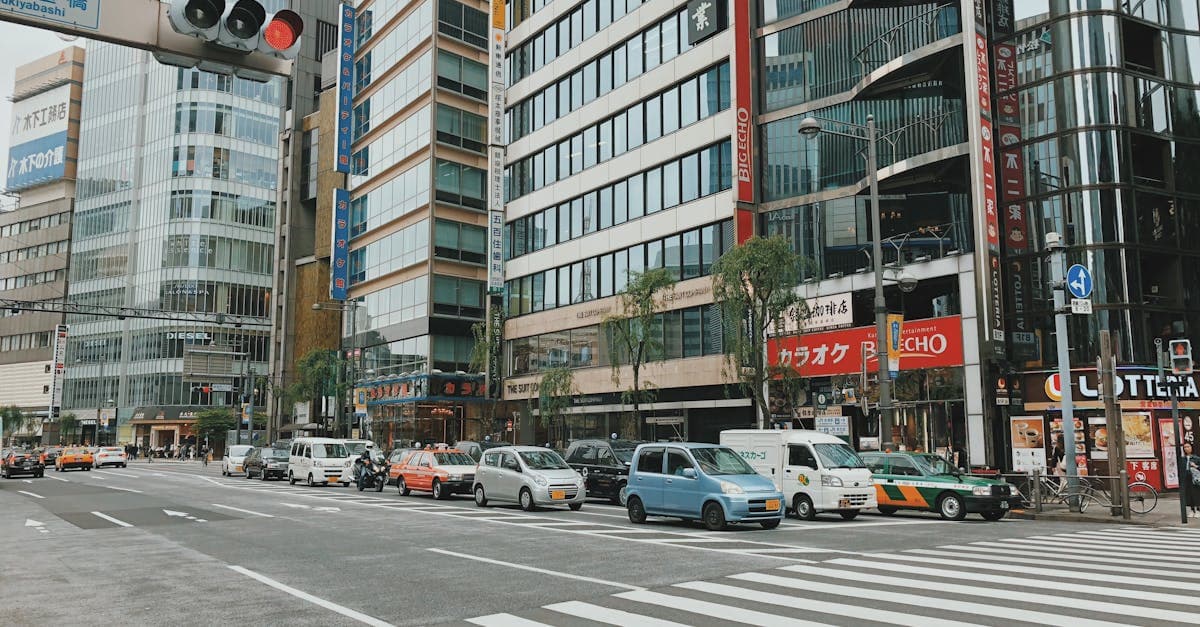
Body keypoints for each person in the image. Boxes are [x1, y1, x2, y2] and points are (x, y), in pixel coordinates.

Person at [1184, 442, 1200, 519]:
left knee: (1196, 494)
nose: (1186, 448)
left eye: (1188, 446)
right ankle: (1191, 509)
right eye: (1185, 447)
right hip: (1187, 479)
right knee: (1189, 494)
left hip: (1195, 479)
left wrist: (1195, 466)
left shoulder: (1196, 458)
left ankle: (1198, 510)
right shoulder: (1183, 458)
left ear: (1191, 447)